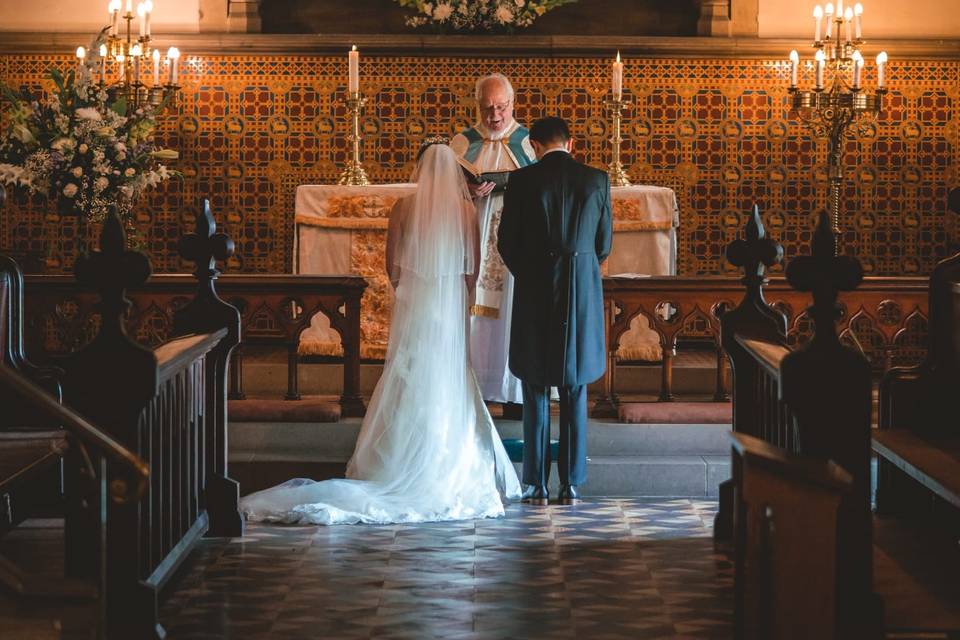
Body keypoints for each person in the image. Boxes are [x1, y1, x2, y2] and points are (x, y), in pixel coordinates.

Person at [240, 140, 521, 525]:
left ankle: (396, 455)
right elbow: (471, 271)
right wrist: (458, 298)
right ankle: (442, 456)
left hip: (415, 304)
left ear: (419, 172)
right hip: (450, 305)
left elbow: (392, 266)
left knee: (409, 372)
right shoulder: (465, 210)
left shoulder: (403, 208)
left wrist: (409, 294)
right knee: (447, 374)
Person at [498, 117, 613, 506]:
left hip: (535, 290)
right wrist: (578, 267)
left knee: (535, 386)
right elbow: (603, 243)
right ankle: (572, 483)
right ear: (572, 143)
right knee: (575, 386)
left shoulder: (522, 181)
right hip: (580, 290)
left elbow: (507, 243)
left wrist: (533, 272)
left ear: (532, 145)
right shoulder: (597, 180)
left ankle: (536, 484)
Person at [450, 73, 537, 414]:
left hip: (516, 243)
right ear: (477, 107)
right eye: (487, 109)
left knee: (514, 315)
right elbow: (439, 189)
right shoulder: (462, 142)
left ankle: (514, 391)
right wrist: (466, 189)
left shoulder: (530, 143)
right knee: (476, 314)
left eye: (501, 107)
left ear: (513, 104)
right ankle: (478, 391)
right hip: (473, 237)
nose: (495, 116)